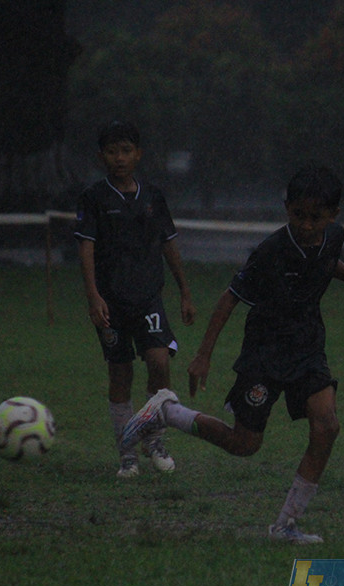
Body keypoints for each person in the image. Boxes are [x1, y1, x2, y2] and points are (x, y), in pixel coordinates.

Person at [119, 162, 344, 543]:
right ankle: (166, 411)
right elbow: (228, 299)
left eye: (315, 218)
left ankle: (286, 525)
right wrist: (203, 355)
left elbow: (328, 261)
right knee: (245, 444)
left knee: (327, 426)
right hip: (265, 353)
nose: (305, 225)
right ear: (286, 208)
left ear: (333, 216)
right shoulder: (270, 251)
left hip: (307, 348)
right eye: (298, 215)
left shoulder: (334, 236)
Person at [74, 120, 197, 478]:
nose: (119, 158)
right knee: (120, 374)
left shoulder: (153, 197)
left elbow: (168, 243)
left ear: (138, 155)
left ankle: (154, 439)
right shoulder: (94, 198)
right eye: (112, 151)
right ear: (102, 157)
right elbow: (86, 247)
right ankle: (127, 452)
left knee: (159, 363)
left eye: (126, 150)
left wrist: (185, 292)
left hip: (148, 298)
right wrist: (93, 295)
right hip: (111, 301)